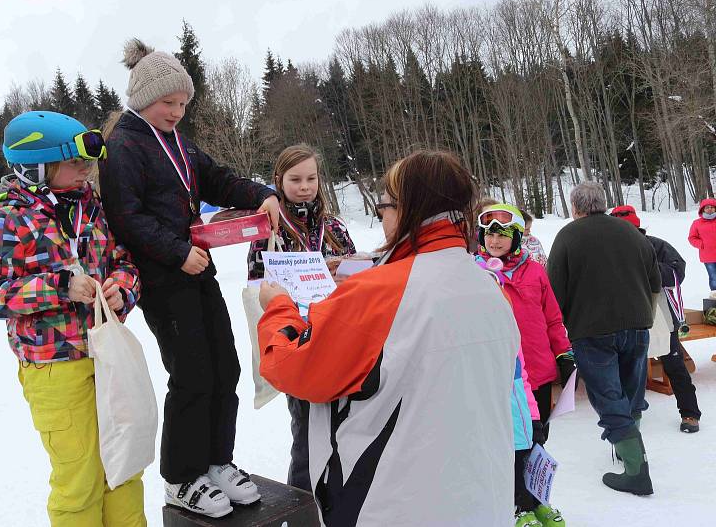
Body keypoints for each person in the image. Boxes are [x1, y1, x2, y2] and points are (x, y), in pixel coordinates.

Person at [257, 150, 520, 526]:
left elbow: (293, 368)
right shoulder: (490, 288)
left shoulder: (378, 292)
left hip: (390, 504)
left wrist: (278, 307)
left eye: (384, 207)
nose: (382, 218)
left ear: (406, 209)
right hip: (481, 501)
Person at [98, 38, 280, 518]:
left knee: (226, 367)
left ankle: (216, 460)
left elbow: (216, 178)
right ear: (142, 99)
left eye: (182, 103)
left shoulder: (177, 142)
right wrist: (178, 253)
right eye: (168, 103)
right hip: (163, 278)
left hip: (198, 271)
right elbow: (126, 216)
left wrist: (260, 193)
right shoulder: (124, 147)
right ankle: (181, 477)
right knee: (193, 373)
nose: (177, 111)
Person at [0, 111, 145, 526]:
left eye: (87, 164)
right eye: (75, 163)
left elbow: (124, 260)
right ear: (36, 167)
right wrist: (58, 286)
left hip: (108, 357)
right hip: (55, 368)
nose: (86, 171)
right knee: (79, 480)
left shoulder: (92, 207)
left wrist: (123, 288)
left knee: (124, 466)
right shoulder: (5, 221)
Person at [247, 144, 355, 491]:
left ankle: (340, 501)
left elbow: (357, 273)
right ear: (279, 180)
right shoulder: (269, 229)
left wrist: (344, 270)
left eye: (311, 178)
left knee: (346, 429)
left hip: (339, 335)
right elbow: (257, 282)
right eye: (296, 179)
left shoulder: (334, 227)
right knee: (307, 432)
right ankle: (302, 506)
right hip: (298, 339)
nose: (305, 186)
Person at [547, 182, 660, 496]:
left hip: (591, 329)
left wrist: (562, 326)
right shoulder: (631, 233)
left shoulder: (568, 236)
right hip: (638, 325)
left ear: (575, 207)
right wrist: (644, 316)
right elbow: (655, 280)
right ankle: (628, 451)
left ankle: (637, 472)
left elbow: (555, 289)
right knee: (631, 391)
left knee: (608, 396)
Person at [475, 204, 569, 526]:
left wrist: (565, 355)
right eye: (490, 234)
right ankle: (517, 506)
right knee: (510, 445)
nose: (495, 240)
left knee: (537, 441)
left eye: (503, 234)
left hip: (538, 374)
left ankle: (536, 500)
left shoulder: (535, 272)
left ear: (517, 237)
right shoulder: (477, 273)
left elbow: (554, 319)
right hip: (503, 378)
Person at [611, 205, 702, 433]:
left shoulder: (656, 245)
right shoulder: (607, 250)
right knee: (627, 369)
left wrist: (646, 268)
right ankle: (627, 421)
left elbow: (677, 272)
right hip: (623, 318)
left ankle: (690, 413)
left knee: (674, 364)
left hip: (659, 316)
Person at [687, 198, 716, 290]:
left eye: (712, 207)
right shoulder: (697, 223)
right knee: (714, 278)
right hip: (708, 256)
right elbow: (692, 238)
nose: (710, 209)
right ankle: (714, 297)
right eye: (707, 207)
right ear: (703, 209)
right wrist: (702, 244)